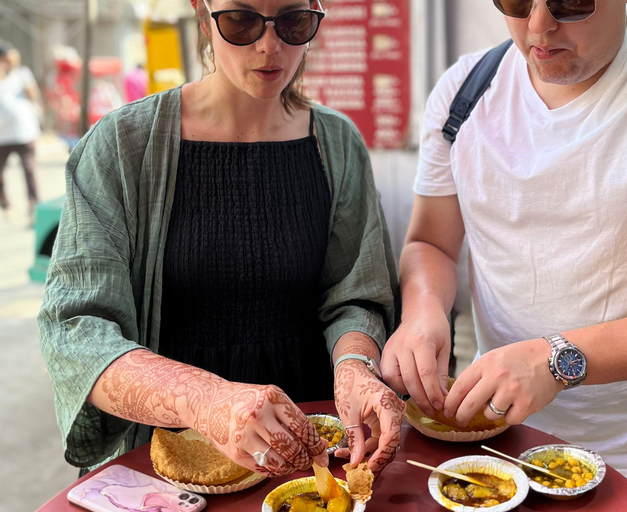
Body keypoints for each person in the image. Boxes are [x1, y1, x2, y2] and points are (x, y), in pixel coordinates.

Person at [381, 1, 627, 511]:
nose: (539, 25)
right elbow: (431, 242)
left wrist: (557, 358)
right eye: (517, 2)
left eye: (571, 2)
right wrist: (423, 312)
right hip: (505, 448)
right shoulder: (463, 90)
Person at [39, 0, 403, 480]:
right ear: (202, 11)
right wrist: (205, 400)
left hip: (314, 449)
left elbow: (356, 294)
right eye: (241, 21)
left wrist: (355, 363)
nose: (269, 45)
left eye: (294, 22)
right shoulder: (124, 145)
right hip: (175, 459)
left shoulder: (335, 143)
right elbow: (75, 332)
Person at [0, 43, 41, 214]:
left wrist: (26, 84)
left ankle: (34, 204)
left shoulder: (23, 74)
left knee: (29, 170)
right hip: (2, 135)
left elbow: (33, 96)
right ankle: (4, 201)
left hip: (24, 132)